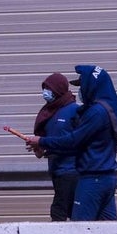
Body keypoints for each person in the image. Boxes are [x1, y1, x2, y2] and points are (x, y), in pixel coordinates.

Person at [27, 65, 117, 221]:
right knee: (108, 232)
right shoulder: (107, 109)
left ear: (91, 86)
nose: (80, 91)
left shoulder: (96, 112)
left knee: (79, 233)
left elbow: (73, 140)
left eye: (82, 85)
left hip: (92, 179)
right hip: (107, 178)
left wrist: (41, 141)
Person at [30, 72, 80, 221]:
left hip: (70, 171)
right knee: (68, 211)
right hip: (56, 171)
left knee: (59, 212)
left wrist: (43, 142)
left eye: (49, 89)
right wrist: (39, 147)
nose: (45, 93)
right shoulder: (49, 113)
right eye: (45, 88)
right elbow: (49, 140)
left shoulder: (74, 111)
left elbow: (76, 140)